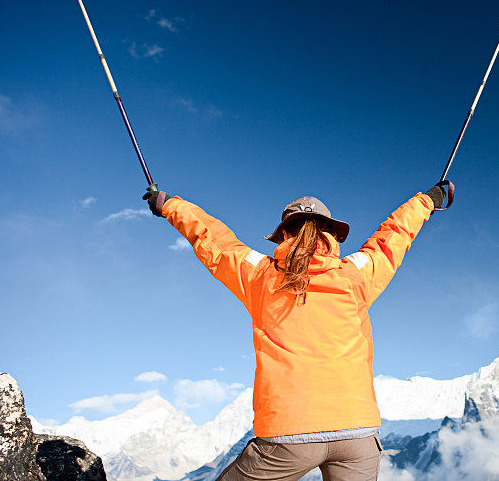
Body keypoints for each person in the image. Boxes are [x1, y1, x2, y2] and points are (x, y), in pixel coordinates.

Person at [143, 183, 447, 481]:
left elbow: (217, 243)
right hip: (358, 434)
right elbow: (391, 238)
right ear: (330, 233)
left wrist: (169, 205)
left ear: (284, 234)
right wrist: (427, 201)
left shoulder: (260, 276)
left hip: (287, 435)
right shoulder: (356, 275)